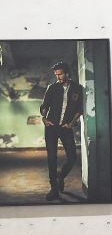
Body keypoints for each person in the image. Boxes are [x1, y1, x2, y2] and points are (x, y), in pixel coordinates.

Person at [39, 61, 83, 201]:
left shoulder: (77, 88)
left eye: (60, 74)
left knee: (72, 157)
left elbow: (80, 109)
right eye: (56, 74)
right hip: (51, 127)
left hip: (65, 127)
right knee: (52, 158)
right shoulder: (52, 88)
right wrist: (44, 118)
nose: (58, 77)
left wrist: (72, 123)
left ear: (67, 73)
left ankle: (60, 177)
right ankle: (54, 188)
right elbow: (44, 106)